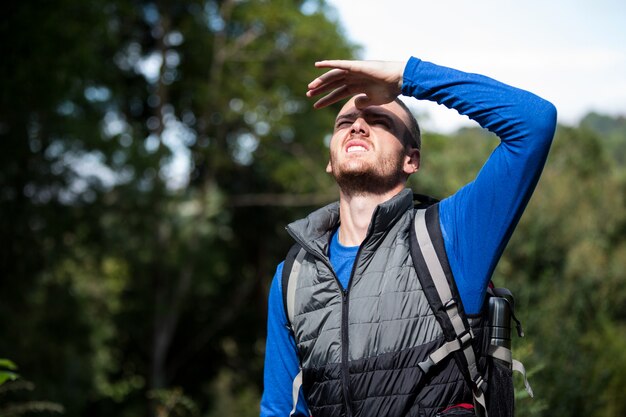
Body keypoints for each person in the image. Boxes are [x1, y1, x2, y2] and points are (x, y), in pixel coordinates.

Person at [260, 57, 557, 417]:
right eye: (345, 123)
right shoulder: (293, 275)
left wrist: (406, 77)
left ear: (411, 160)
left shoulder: (450, 234)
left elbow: (533, 123)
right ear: (330, 160)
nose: (357, 126)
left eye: (378, 119)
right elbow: (280, 409)